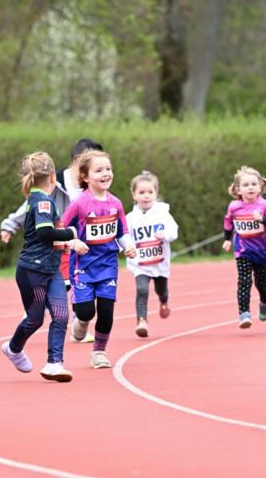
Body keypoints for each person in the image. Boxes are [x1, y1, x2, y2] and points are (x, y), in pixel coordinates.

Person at [0, 138, 103, 337]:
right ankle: (35, 314)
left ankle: (78, 324)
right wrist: (10, 225)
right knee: (61, 283)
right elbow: (30, 207)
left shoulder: (93, 185)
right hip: (60, 241)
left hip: (82, 242)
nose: (100, 171)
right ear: (79, 161)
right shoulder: (54, 182)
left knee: (83, 282)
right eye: (95, 165)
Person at [1, 152, 88, 382]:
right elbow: (44, 232)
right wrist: (70, 232)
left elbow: (48, 236)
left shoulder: (41, 200)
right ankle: (13, 348)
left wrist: (67, 243)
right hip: (32, 271)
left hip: (52, 269)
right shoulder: (41, 201)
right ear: (52, 176)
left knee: (61, 314)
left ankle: (54, 363)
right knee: (35, 318)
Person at [60, 149, 137, 367]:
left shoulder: (116, 203)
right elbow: (61, 229)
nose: (106, 174)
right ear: (85, 177)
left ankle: (99, 352)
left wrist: (129, 246)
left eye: (108, 169)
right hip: (82, 265)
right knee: (86, 311)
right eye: (99, 170)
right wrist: (73, 242)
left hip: (107, 264)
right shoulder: (79, 203)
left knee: (106, 311)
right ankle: (80, 323)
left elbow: (122, 231)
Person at [222, 166, 266, 329]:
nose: (250, 187)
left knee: (261, 283)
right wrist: (227, 239)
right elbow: (228, 222)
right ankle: (244, 314)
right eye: (246, 185)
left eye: (254, 184)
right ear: (238, 189)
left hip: (262, 252)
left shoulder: (265, 205)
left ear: (260, 187)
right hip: (243, 249)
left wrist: (262, 220)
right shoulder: (234, 207)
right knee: (244, 280)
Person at [126, 171, 179, 338]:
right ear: (134, 194)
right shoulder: (130, 218)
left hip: (159, 262)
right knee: (142, 290)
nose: (146, 196)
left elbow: (174, 231)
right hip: (140, 263)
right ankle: (142, 321)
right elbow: (124, 236)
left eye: (150, 192)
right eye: (141, 192)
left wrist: (165, 235)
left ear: (156, 193)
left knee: (160, 289)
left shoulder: (163, 214)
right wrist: (127, 246)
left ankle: (164, 300)